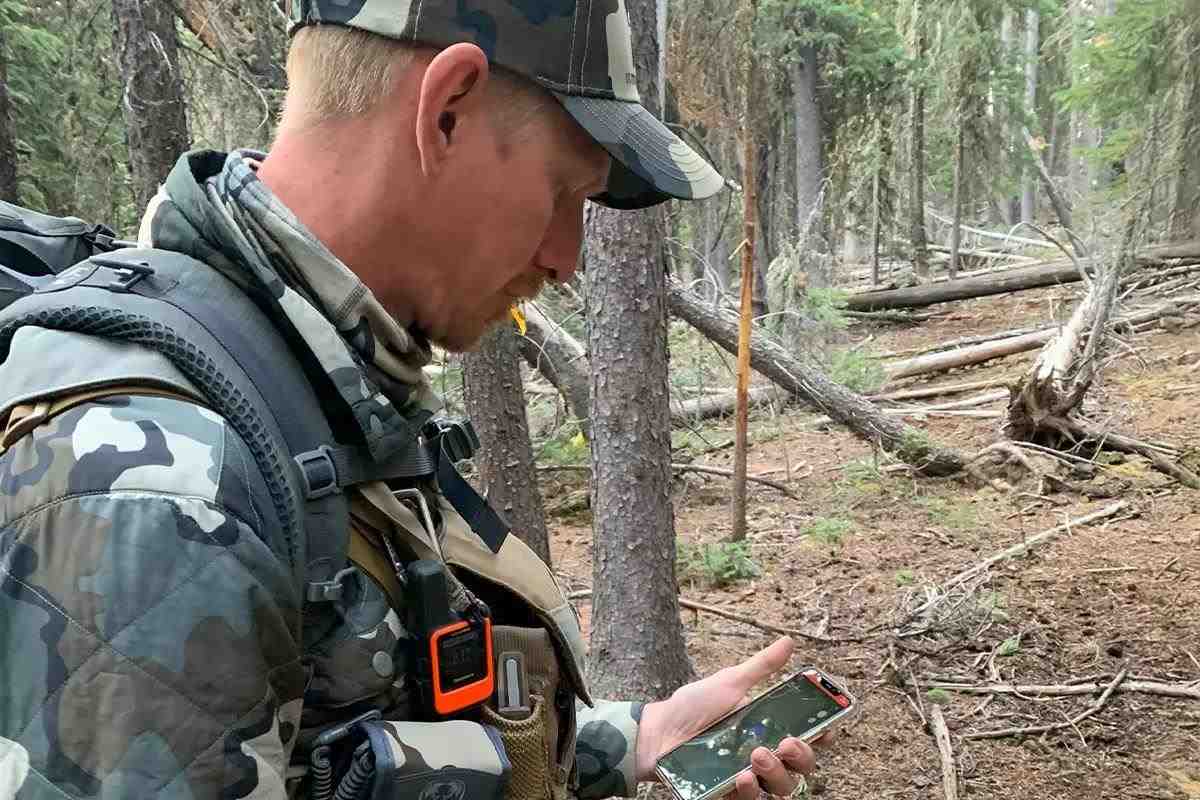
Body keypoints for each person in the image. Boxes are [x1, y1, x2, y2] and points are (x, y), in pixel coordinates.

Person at [0, 1, 828, 798]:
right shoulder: (157, 482)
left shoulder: (312, 376)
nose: (566, 255)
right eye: (564, 192)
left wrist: (627, 743)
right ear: (447, 110)